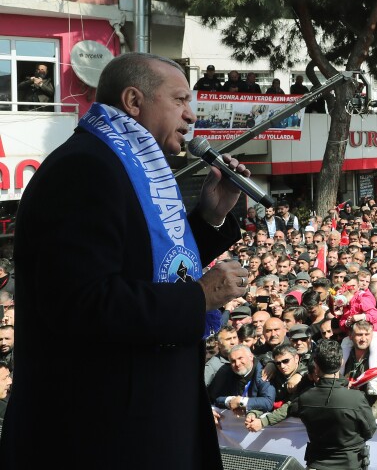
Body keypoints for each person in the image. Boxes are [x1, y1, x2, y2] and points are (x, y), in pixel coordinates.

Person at [0, 52, 251, 469]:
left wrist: (210, 217)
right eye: (179, 100)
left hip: (145, 422)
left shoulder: (126, 164)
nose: (191, 115)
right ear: (134, 101)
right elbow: (83, 302)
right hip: (102, 436)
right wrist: (199, 297)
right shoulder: (84, 168)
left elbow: (146, 263)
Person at [285, 339, 377, 469]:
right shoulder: (356, 398)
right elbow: (370, 430)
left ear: (316, 365)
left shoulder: (305, 398)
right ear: (341, 362)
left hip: (317, 463)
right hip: (350, 463)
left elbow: (291, 408)